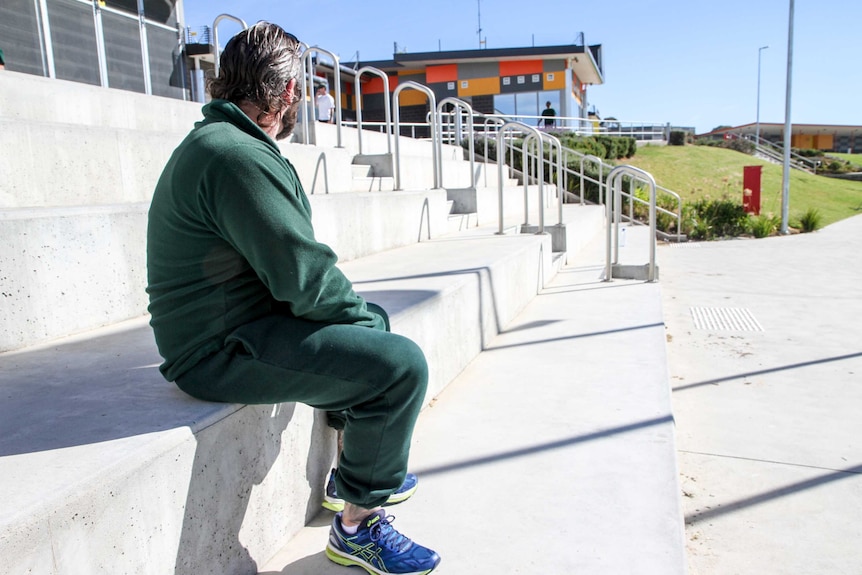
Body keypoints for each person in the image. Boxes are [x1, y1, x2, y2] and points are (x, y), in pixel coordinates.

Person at [146, 22, 440, 574]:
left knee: (369, 322)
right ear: (286, 93)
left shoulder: (224, 142)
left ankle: (353, 470)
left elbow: (293, 274)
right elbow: (303, 277)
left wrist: (360, 323)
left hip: (236, 325)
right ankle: (357, 526)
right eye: (300, 87)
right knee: (399, 366)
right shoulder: (233, 155)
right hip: (218, 350)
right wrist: (365, 331)